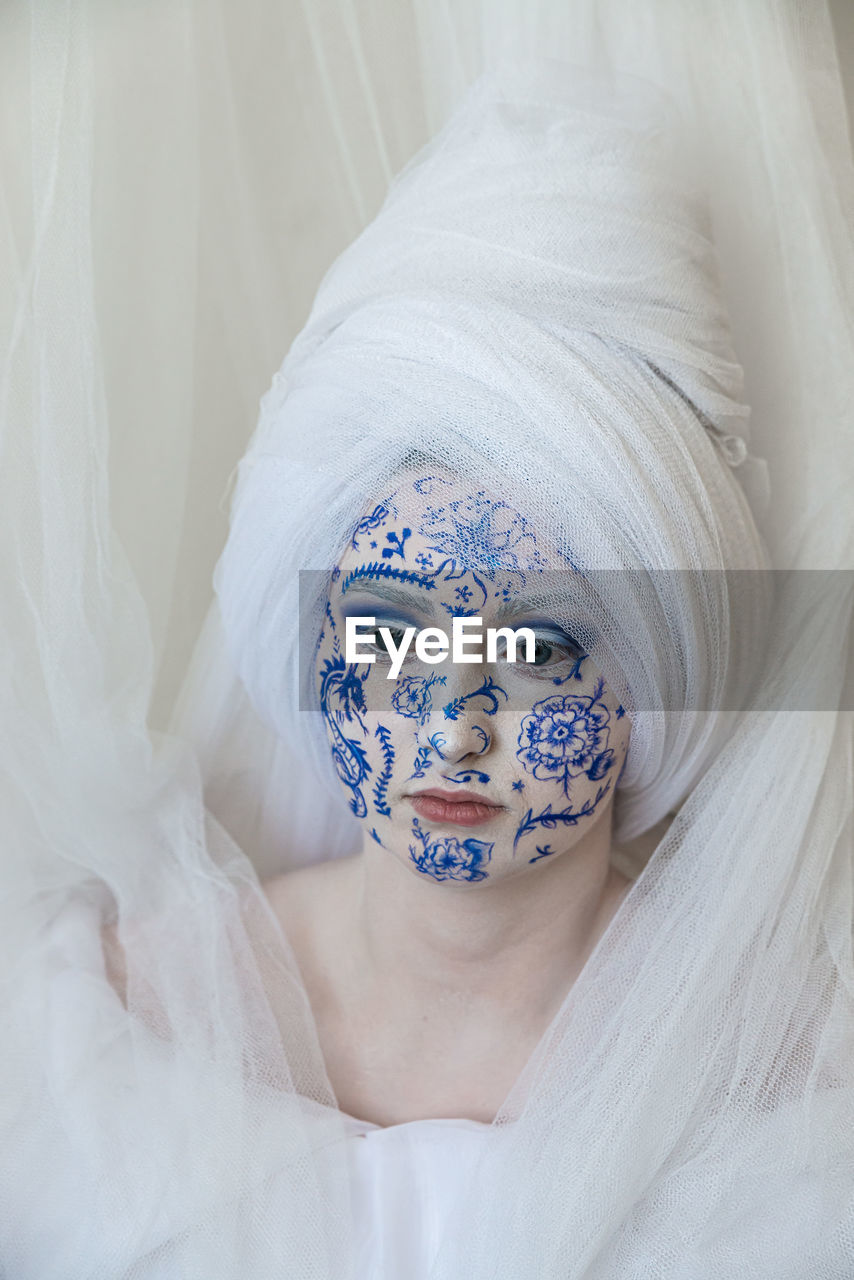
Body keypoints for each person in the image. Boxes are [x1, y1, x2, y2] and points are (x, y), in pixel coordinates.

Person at [2, 6, 853, 1279]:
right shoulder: (112, 1014)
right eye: (394, 636)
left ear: (653, 675)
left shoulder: (790, 1083)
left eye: (539, 649)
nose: (455, 719)